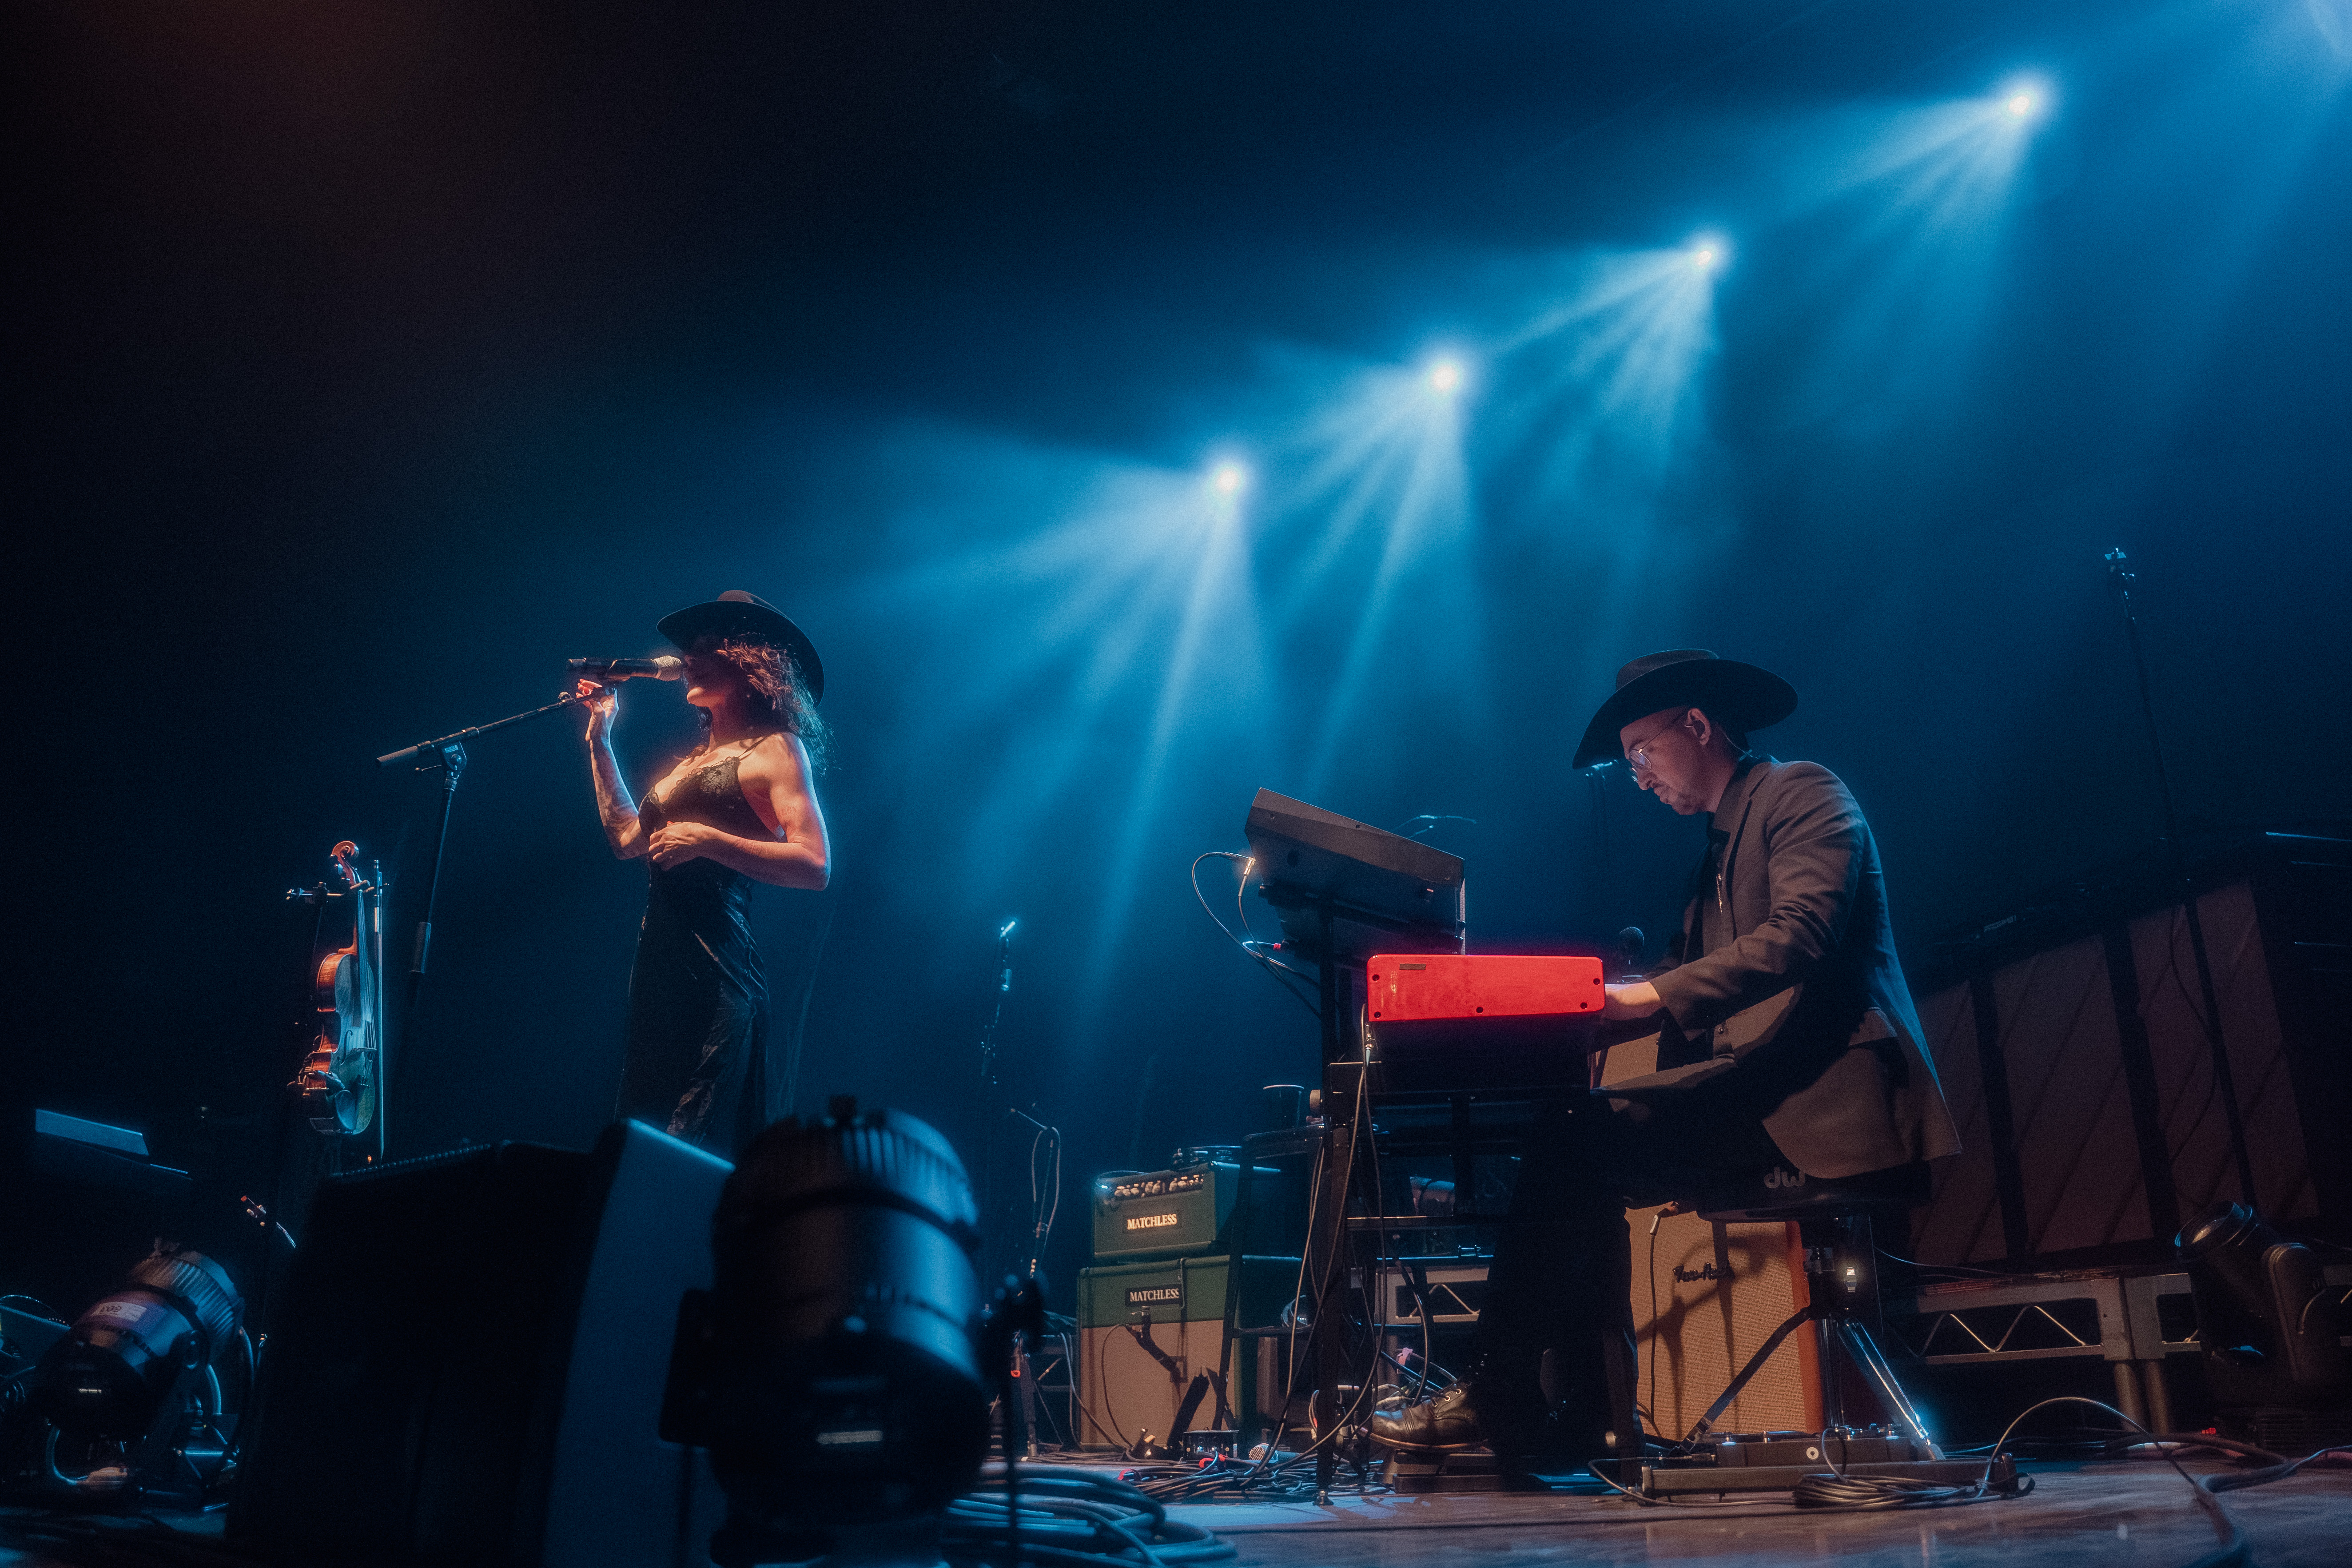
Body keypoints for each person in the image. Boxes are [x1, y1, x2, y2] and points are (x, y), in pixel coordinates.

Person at [1368, 649, 1959, 1461]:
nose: (1638, 777)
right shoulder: (1711, 858)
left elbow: (1800, 935)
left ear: (1699, 725)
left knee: (1576, 1142)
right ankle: (1586, 1418)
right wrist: (1551, 1018)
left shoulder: (1804, 792)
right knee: (1573, 1137)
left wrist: (1641, 998)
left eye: (1642, 751)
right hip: (1761, 1092)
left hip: (1825, 1095)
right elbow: (1672, 983)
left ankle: (1516, 1397)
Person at [578, 590, 831, 1158]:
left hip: (720, 975)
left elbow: (815, 864)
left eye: (706, 647)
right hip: (659, 975)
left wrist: (710, 840)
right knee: (641, 1143)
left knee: (690, 1145)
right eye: (687, 649)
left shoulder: (776, 749)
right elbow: (627, 840)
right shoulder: (689, 764)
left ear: (749, 664)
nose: (688, 658)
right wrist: (600, 738)